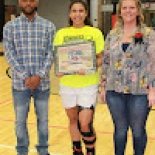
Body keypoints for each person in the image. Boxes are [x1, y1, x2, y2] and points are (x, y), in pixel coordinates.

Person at [100, 0, 155, 155]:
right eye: (124, 8)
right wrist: (103, 86)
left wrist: (153, 90)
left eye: (132, 7)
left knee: (137, 130)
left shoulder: (149, 34)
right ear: (120, 11)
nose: (128, 11)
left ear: (138, 11)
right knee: (120, 130)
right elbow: (106, 62)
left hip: (140, 91)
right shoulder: (112, 35)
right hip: (114, 90)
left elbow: (154, 63)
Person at [3, 0, 56, 155]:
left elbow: (50, 53)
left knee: (44, 122)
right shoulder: (10, 27)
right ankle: (21, 151)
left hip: (43, 84)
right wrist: (26, 77)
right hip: (20, 85)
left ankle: (43, 151)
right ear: (20, 2)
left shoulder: (48, 26)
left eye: (31, 0)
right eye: (25, 0)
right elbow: (9, 54)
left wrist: (39, 75)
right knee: (20, 122)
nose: (28, 3)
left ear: (37, 2)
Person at [53, 0, 104, 155]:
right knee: (73, 121)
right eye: (74, 11)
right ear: (69, 14)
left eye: (81, 11)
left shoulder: (95, 33)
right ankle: (77, 150)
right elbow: (59, 59)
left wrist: (90, 67)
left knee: (85, 124)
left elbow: (101, 58)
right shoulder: (61, 33)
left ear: (86, 13)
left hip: (88, 84)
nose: (77, 14)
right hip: (67, 84)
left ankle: (91, 150)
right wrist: (58, 70)